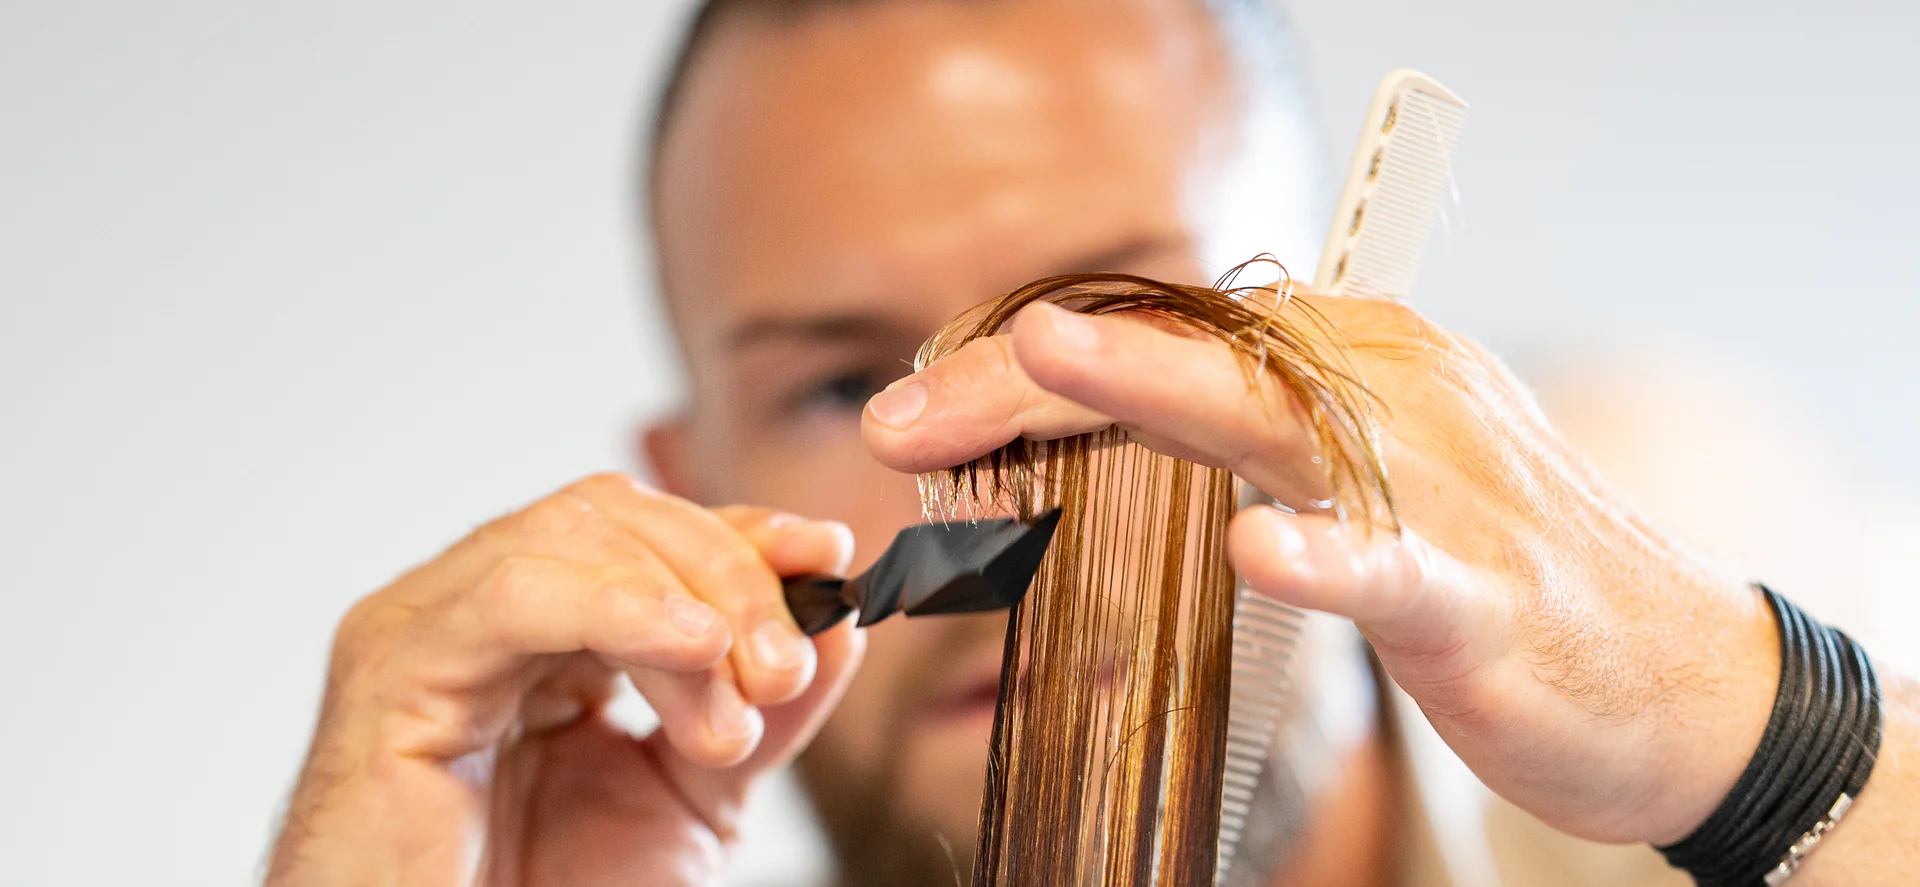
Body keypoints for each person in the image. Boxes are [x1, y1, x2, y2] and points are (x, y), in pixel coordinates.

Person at [263, 0, 1920, 884]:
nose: (1006, 483)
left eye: (1132, 326)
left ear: (1365, 355)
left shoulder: (1742, 606)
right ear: (696, 490)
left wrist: (1773, 748)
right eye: (843, 389)